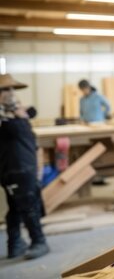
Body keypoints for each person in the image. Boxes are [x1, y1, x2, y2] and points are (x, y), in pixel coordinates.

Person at [0, 74, 50, 259]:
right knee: (29, 207)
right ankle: (39, 241)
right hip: (15, 167)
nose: (11, 93)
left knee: (15, 208)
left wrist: (19, 113)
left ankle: (15, 244)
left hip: (23, 166)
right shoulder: (4, 118)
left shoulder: (14, 113)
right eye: (6, 89)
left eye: (12, 89)